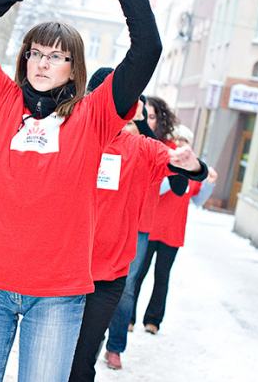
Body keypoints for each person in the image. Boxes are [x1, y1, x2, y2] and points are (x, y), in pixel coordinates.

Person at [0, 0, 163, 382]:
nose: (44, 63)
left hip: (58, 297)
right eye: (36, 53)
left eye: (58, 56)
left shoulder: (95, 114)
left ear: (74, 67)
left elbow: (146, 49)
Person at [68, 70, 208, 382]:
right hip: (63, 273)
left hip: (107, 275)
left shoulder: (139, 147)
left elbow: (189, 171)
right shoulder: (68, 136)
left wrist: (191, 164)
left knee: (81, 363)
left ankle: (114, 345)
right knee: (53, 361)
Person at [103, 94, 182, 369]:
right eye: (138, 113)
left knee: (125, 289)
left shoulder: (155, 148)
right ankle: (92, 338)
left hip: (138, 226)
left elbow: (181, 185)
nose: (141, 119)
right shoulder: (115, 137)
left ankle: (115, 347)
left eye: (148, 116)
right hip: (104, 221)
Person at [132, 125, 218, 335]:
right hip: (151, 228)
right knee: (138, 274)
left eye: (184, 141)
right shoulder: (164, 165)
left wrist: (210, 183)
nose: (179, 144)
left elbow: (197, 199)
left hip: (173, 233)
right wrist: (176, 169)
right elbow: (159, 187)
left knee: (162, 277)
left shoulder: (193, 173)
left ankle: (153, 320)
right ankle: (129, 318)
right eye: (176, 140)